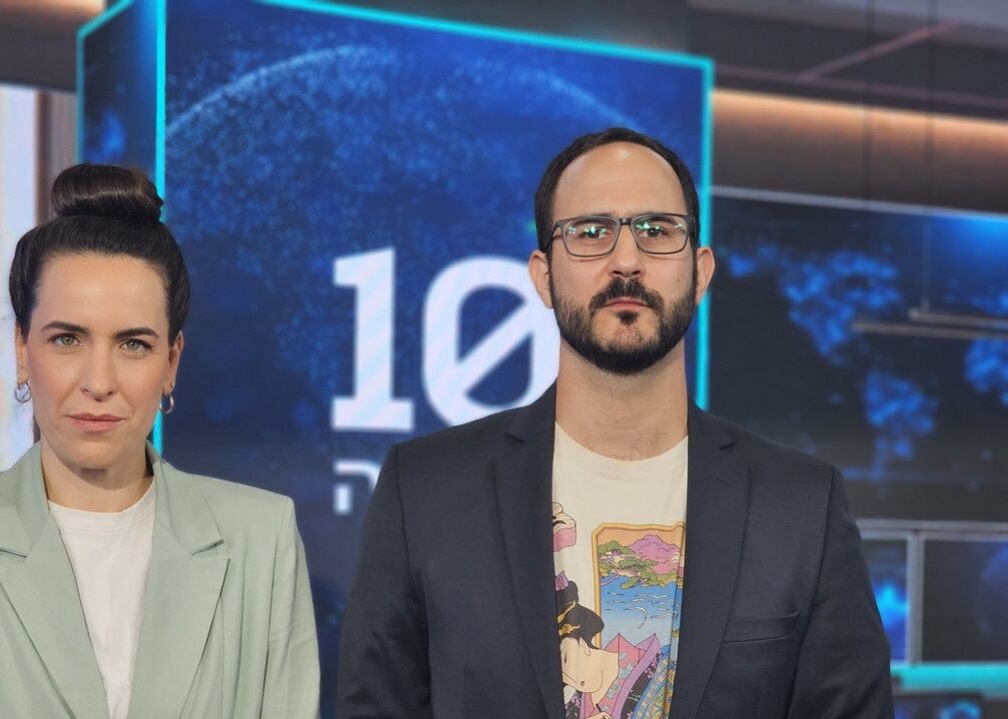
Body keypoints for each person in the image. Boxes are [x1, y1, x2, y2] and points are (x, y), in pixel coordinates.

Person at [336, 127, 892, 718]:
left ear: (701, 272)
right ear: (543, 275)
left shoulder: (801, 505)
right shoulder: (425, 489)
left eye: (657, 231)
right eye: (590, 232)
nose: (626, 261)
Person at [0, 164, 319, 718]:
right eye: (67, 339)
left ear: (171, 362)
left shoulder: (261, 541)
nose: (99, 382)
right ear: (22, 349)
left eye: (134, 344)